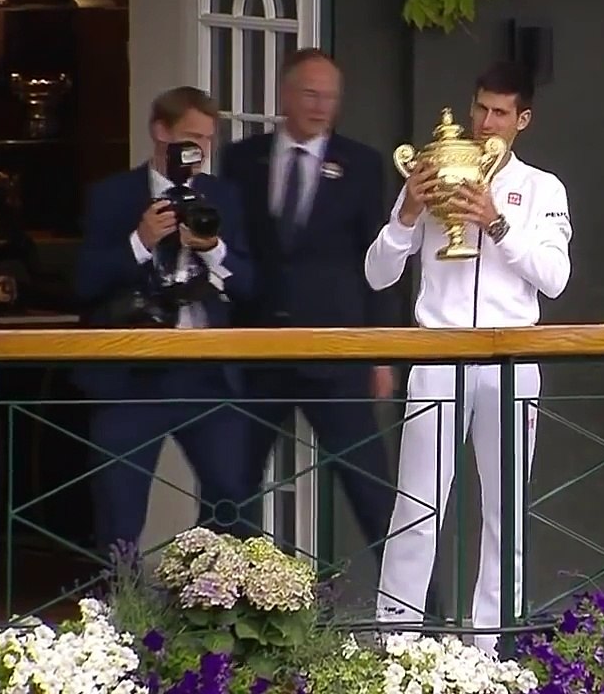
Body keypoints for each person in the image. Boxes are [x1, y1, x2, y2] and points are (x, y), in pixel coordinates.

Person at [365, 61, 572, 654]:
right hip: (438, 354)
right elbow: (378, 275)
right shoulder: (433, 172)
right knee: (417, 508)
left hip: (512, 361)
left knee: (504, 514)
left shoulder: (542, 189)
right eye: (480, 108)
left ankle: (489, 650)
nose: (485, 123)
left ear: (522, 120)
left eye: (500, 113)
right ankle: (396, 646)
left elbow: (555, 279)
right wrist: (406, 212)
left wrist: (498, 223)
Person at [219, 48, 401, 574]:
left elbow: (380, 262)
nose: (322, 106)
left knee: (371, 491)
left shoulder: (363, 164)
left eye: (331, 97)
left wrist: (381, 353)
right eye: (310, 94)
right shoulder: (241, 160)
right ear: (285, 95)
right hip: (258, 352)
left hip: (336, 353)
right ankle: (232, 606)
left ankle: (423, 619)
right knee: (232, 488)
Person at [73, 86, 257, 550]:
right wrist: (140, 241)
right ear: (160, 131)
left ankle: (208, 605)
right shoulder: (111, 196)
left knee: (233, 500)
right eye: (190, 136)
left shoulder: (227, 198)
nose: (199, 150)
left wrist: (215, 251)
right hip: (133, 375)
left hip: (207, 372)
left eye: (208, 139)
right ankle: (118, 616)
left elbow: (252, 285)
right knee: (119, 515)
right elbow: (83, 284)